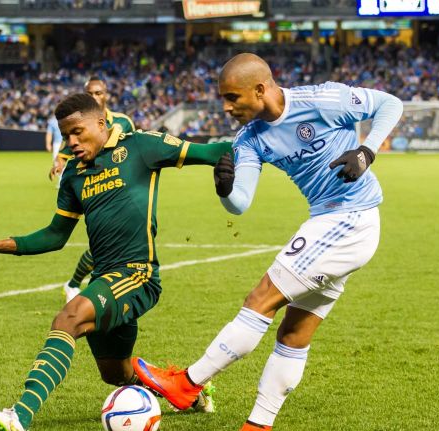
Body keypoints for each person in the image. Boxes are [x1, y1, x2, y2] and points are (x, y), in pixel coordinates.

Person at [132, 53, 404, 430]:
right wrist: (225, 188)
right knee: (294, 333)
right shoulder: (248, 138)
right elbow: (240, 203)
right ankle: (259, 424)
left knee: (260, 300)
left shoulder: (321, 100)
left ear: (260, 89)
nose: (226, 107)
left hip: (350, 218)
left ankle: (187, 384)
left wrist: (366, 150)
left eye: (232, 98)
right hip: (332, 222)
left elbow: (390, 103)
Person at [0, 93, 229, 431]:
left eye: (78, 132)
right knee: (116, 374)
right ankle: (190, 391)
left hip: (138, 274)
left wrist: (230, 166)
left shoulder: (141, 146)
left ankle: (18, 415)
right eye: (65, 136)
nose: (72, 142)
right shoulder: (74, 175)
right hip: (105, 279)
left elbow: (211, 151)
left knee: (68, 318)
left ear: (101, 122)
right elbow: (55, 235)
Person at [51, 76, 136, 302]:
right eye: (91, 93)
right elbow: (70, 144)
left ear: (106, 94)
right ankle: (80, 285)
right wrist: (59, 161)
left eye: (99, 93)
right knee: (107, 244)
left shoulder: (122, 121)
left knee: (112, 244)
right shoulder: (78, 124)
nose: (95, 97)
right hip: (94, 187)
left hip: (121, 188)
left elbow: (133, 147)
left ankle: (75, 284)